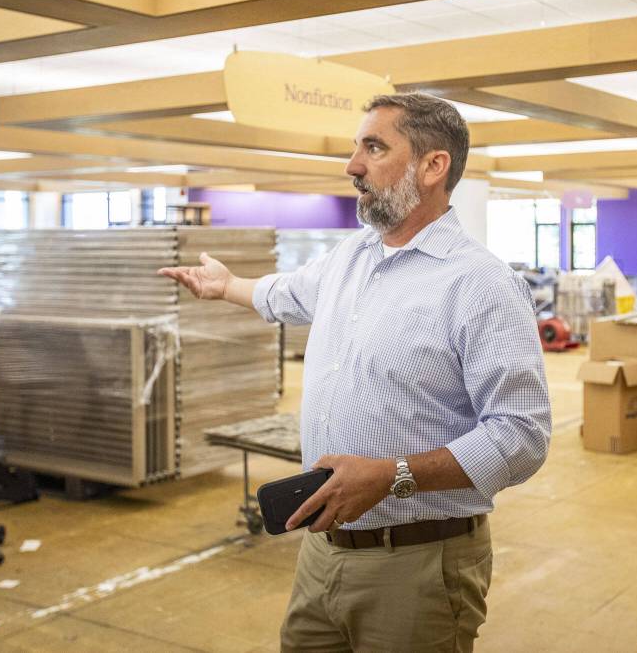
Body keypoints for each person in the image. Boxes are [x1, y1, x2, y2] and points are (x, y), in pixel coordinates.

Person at [159, 92, 551, 652]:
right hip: (322, 551)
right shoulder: (353, 256)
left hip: (418, 563)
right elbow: (287, 294)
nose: (352, 166)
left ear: (433, 166)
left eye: (374, 147)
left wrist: (392, 476)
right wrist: (226, 287)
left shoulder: (480, 284)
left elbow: (521, 436)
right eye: (354, 148)